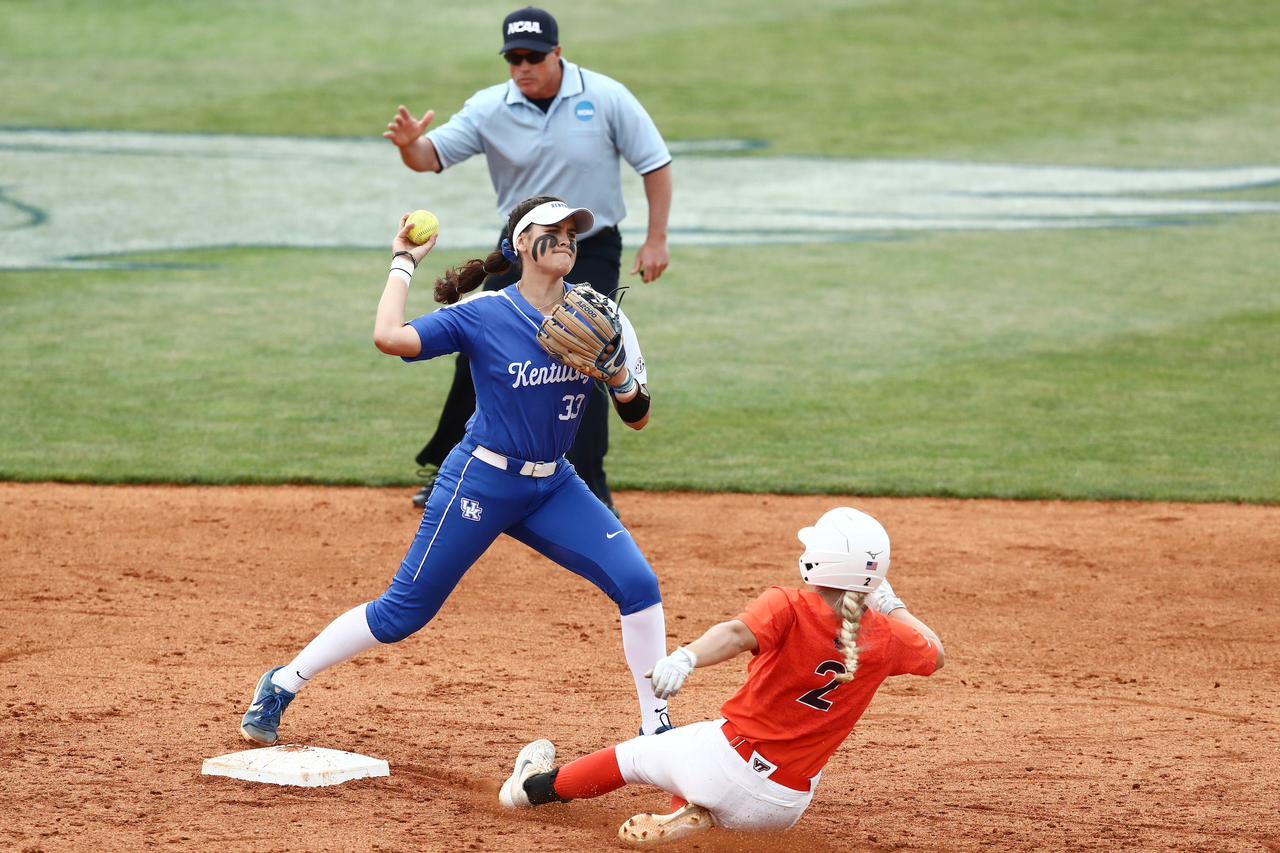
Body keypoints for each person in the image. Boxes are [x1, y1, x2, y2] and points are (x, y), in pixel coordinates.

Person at [239, 197, 674, 747]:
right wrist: (404, 261)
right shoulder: (485, 313)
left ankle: (655, 723)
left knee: (638, 584)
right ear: (520, 243)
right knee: (401, 615)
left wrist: (616, 377)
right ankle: (281, 683)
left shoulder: (603, 318)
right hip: (482, 481)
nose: (566, 237)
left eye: (572, 230)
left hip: (553, 486)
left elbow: (638, 417)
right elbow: (390, 338)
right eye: (553, 229)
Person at [496, 507, 946, 847]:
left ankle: (525, 790)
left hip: (727, 765)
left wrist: (686, 657)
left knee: (634, 757)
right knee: (689, 769)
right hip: (786, 805)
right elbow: (936, 652)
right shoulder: (887, 638)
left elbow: (734, 634)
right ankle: (694, 817)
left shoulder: (789, 605)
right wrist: (888, 603)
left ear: (818, 564)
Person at [384, 6, 674, 515]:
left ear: (557, 53)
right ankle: (449, 470)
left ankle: (589, 483)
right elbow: (430, 156)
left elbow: (655, 163)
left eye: (534, 56)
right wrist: (410, 145)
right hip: (519, 240)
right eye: (514, 57)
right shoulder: (490, 106)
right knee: (477, 343)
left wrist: (657, 239)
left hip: (587, 241)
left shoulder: (605, 97)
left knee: (588, 350)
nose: (523, 66)